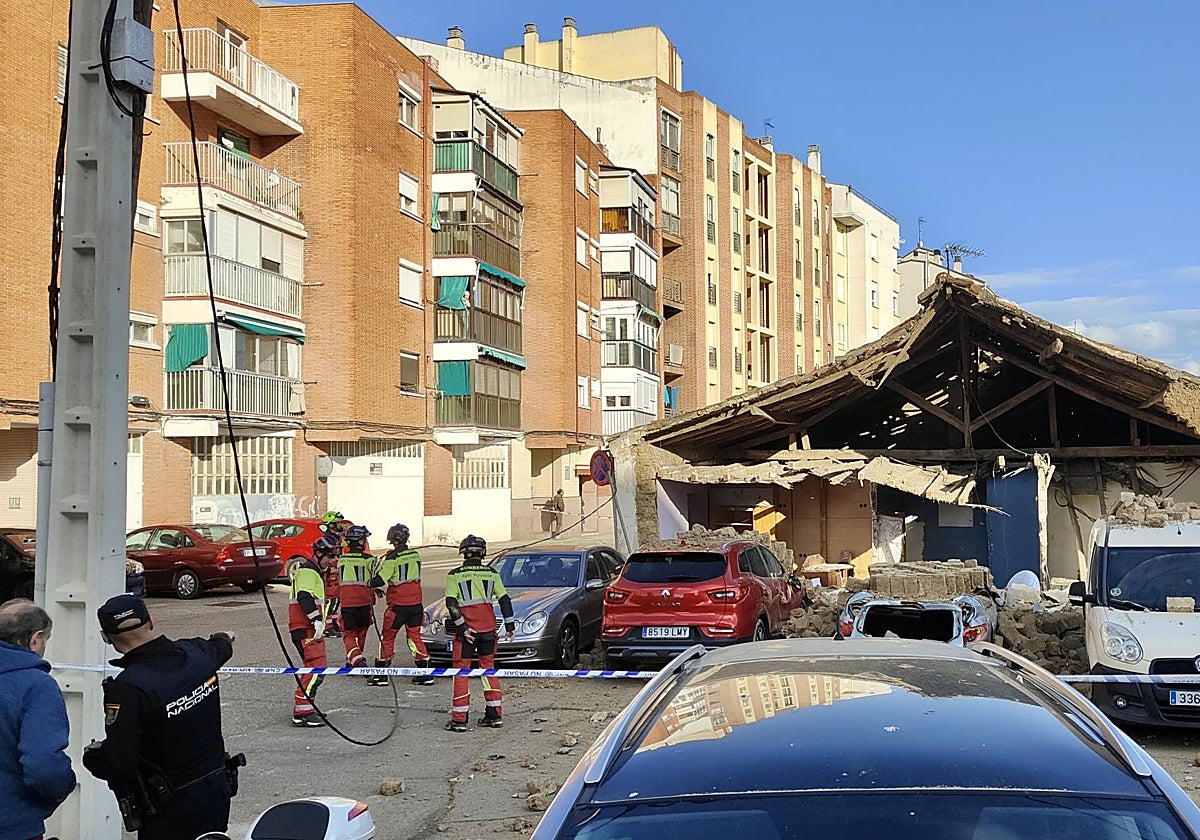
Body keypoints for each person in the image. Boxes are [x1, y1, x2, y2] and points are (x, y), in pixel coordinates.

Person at [82, 595, 240, 840]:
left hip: (170, 808)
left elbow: (119, 762)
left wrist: (92, 759)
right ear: (151, 622)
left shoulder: (128, 689)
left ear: (106, 638)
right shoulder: (197, 653)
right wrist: (225, 636)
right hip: (215, 792)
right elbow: (222, 644)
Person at [0, 599, 75, 840]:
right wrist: (60, 790)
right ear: (35, 639)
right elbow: (44, 765)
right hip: (13, 824)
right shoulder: (36, 685)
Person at [444, 535, 514, 732]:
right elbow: (505, 600)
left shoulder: (455, 575)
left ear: (463, 553)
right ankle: (494, 715)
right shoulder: (492, 573)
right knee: (488, 669)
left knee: (461, 672)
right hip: (488, 630)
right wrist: (509, 626)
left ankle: (459, 719)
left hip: (467, 632)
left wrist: (463, 627)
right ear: (483, 553)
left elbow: (451, 604)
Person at [368, 524, 434, 687]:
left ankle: (381, 674)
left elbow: (380, 580)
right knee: (414, 637)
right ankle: (424, 672)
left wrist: (370, 580)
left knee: (388, 638)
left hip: (397, 606)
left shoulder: (392, 559)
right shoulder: (415, 555)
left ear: (391, 540)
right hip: (416, 605)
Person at [289, 535, 340, 727]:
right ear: (319, 554)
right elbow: (304, 596)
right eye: (328, 557)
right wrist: (316, 620)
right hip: (306, 629)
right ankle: (302, 712)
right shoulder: (309, 572)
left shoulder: (314, 571)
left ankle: (307, 707)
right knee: (315, 669)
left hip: (308, 629)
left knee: (316, 669)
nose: (330, 562)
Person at [336, 525, 376, 674]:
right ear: (361, 541)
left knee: (348, 633)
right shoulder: (370, 560)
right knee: (361, 632)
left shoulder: (341, 560)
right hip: (365, 602)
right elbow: (376, 579)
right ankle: (353, 659)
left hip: (347, 603)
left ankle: (356, 658)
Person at [319, 510, 347, 638]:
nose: (339, 525)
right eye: (337, 523)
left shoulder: (337, 537)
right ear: (330, 525)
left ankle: (334, 623)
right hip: (330, 574)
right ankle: (327, 626)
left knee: (336, 601)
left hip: (336, 571)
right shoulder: (328, 539)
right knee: (330, 601)